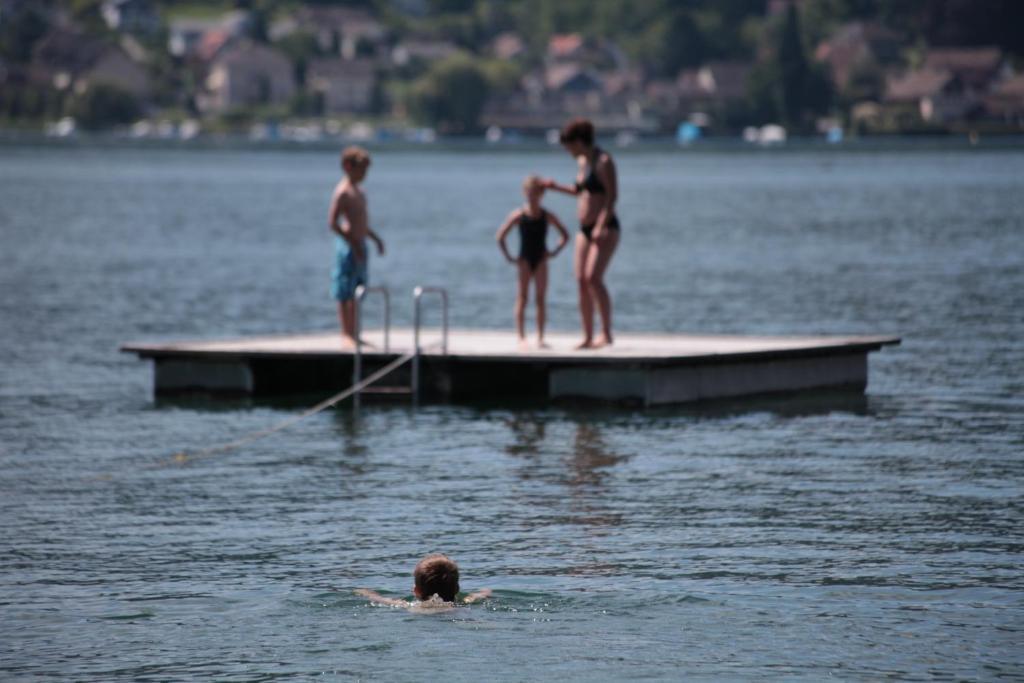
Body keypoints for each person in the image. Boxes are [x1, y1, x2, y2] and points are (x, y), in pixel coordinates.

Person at [542, 119, 620, 349]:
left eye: (568, 145)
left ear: (578, 141)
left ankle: (605, 333)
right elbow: (579, 191)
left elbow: (611, 198)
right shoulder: (582, 162)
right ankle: (587, 336)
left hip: (605, 227)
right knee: (581, 281)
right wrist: (553, 186)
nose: (567, 150)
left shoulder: (604, 162)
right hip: (584, 230)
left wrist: (600, 226)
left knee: (594, 278)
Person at [496, 175, 570, 348]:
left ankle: (540, 337)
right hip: (524, 259)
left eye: (536, 193)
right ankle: (521, 337)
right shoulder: (519, 215)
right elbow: (500, 236)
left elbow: (565, 235)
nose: (532, 196)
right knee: (522, 297)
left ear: (541, 194)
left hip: (541, 259)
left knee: (540, 299)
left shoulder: (547, 215)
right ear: (524, 193)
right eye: (529, 193)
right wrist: (509, 257)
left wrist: (554, 252)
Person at [328, 146, 385, 349]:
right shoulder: (343, 192)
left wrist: (375, 239)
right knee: (345, 289)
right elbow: (333, 222)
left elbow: (362, 222)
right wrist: (352, 242)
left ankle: (354, 331)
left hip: (360, 244)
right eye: (361, 170)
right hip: (349, 246)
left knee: (359, 289)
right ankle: (346, 332)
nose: (364, 175)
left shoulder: (359, 191)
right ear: (348, 167)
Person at [355, 554, 492, 609]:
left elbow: (381, 599)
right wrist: (484, 592)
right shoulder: (462, 604)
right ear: (457, 589)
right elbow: (477, 596)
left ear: (416, 591)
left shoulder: (408, 606)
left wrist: (366, 593)